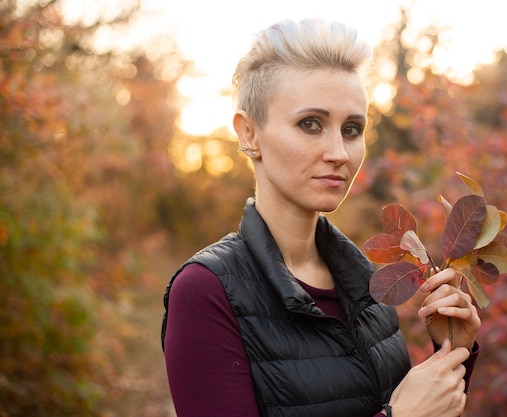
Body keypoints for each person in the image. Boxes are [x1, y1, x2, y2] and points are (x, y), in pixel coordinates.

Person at [161, 18, 481, 417]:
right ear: (249, 133)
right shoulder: (206, 291)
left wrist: (453, 352)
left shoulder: (370, 284)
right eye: (311, 124)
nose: (339, 153)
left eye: (351, 129)